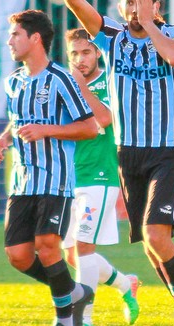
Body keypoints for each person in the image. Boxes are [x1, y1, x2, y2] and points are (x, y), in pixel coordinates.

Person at [47, 0, 174, 326]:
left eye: (141, 2)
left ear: (157, 7)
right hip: (129, 154)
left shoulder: (171, 32)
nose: (133, 9)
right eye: (128, 2)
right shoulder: (111, 36)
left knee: (157, 235)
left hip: (168, 150)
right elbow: (77, 3)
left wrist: (149, 21)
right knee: (150, 242)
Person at [0, 9, 98, 326]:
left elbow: (90, 127)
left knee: (48, 247)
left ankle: (64, 318)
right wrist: (3, 138)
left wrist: (46, 130)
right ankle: (75, 291)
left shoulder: (61, 79)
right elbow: (18, 120)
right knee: (18, 256)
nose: (9, 41)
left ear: (35, 39)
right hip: (22, 181)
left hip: (56, 180)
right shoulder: (13, 82)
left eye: (15, 35)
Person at [62, 28, 140, 326]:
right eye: (74, 54)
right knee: (71, 253)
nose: (80, 59)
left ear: (97, 53)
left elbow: (104, 119)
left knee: (83, 248)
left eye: (86, 52)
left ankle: (84, 318)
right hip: (70, 178)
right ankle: (124, 283)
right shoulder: (66, 86)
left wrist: (81, 86)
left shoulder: (109, 83)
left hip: (100, 176)